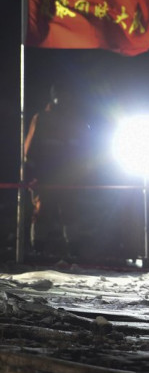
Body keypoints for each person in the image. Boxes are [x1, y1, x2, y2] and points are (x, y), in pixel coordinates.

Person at [24, 80, 93, 260]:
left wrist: (84, 173)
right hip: (46, 174)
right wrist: (31, 175)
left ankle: (74, 250)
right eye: (62, 95)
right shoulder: (42, 118)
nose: (66, 99)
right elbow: (29, 151)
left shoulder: (77, 120)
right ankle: (37, 249)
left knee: (71, 211)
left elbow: (85, 150)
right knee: (42, 210)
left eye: (69, 96)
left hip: (70, 175)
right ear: (54, 97)